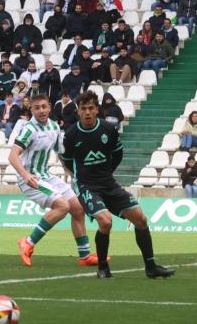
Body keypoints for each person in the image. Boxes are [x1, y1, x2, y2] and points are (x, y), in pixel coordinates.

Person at [61, 92, 175, 279]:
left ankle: (151, 267)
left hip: (108, 183)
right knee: (106, 221)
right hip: (87, 186)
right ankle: (103, 267)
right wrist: (80, 179)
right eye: (83, 109)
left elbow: (118, 153)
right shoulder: (71, 134)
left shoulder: (108, 129)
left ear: (97, 110)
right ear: (79, 111)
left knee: (141, 219)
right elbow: (66, 161)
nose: (88, 112)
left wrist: (107, 173)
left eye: (91, 108)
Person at [10, 94, 99, 268]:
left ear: (50, 107)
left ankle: (85, 256)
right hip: (30, 178)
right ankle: (27, 243)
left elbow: (59, 153)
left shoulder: (54, 127)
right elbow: (13, 156)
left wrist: (72, 173)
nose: (41, 110)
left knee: (78, 208)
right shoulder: (29, 129)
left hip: (46, 175)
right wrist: (26, 175)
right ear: (32, 110)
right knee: (63, 206)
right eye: (37, 108)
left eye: (44, 106)